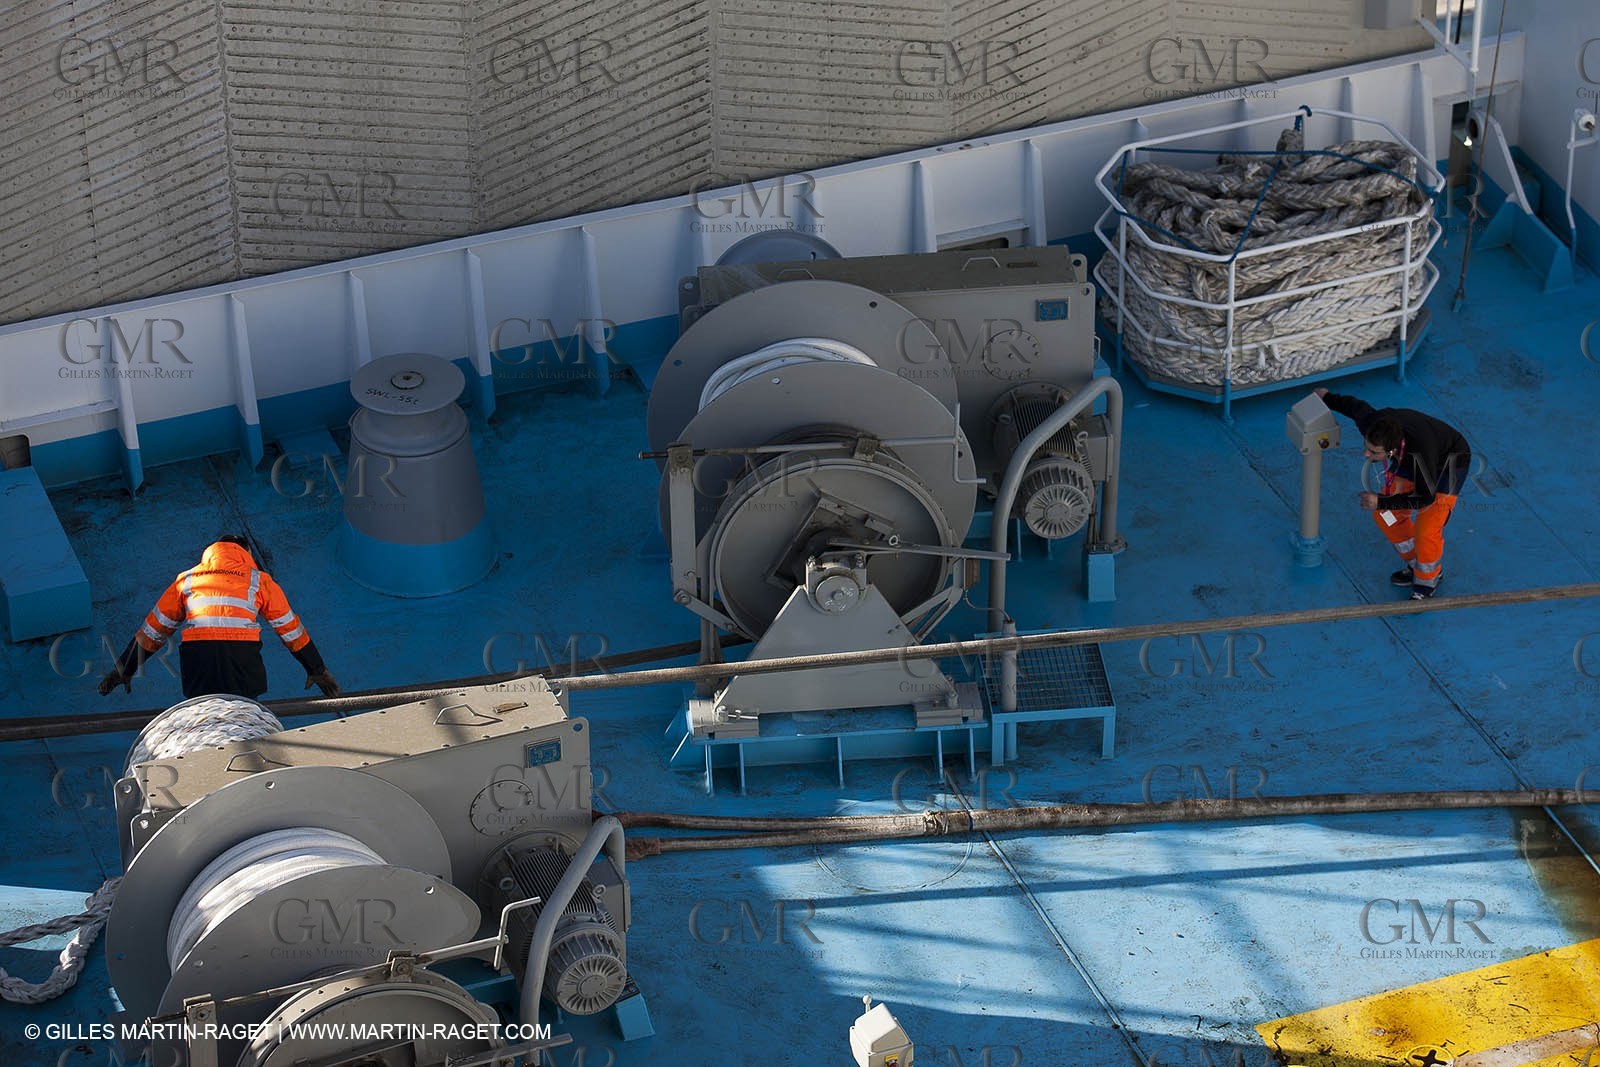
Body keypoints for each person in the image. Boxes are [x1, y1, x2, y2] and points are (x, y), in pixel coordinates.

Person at [98, 536, 341, 699]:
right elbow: (291, 630)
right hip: (241, 658)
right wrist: (316, 668)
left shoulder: (187, 579)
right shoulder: (259, 580)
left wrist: (124, 669)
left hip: (198, 658)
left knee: (205, 714)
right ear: (245, 552)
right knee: (243, 715)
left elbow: (154, 631)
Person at [1315, 389, 1471, 600]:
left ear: (1391, 451)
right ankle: (1416, 563)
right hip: (1409, 459)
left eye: (1373, 452)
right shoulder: (1373, 426)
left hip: (1447, 464)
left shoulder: (1421, 455)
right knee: (1384, 515)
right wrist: (1326, 397)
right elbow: (1354, 407)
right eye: (1367, 447)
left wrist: (1380, 500)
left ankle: (1428, 580)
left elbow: (1425, 498)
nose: (1366, 454)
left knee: (1427, 530)